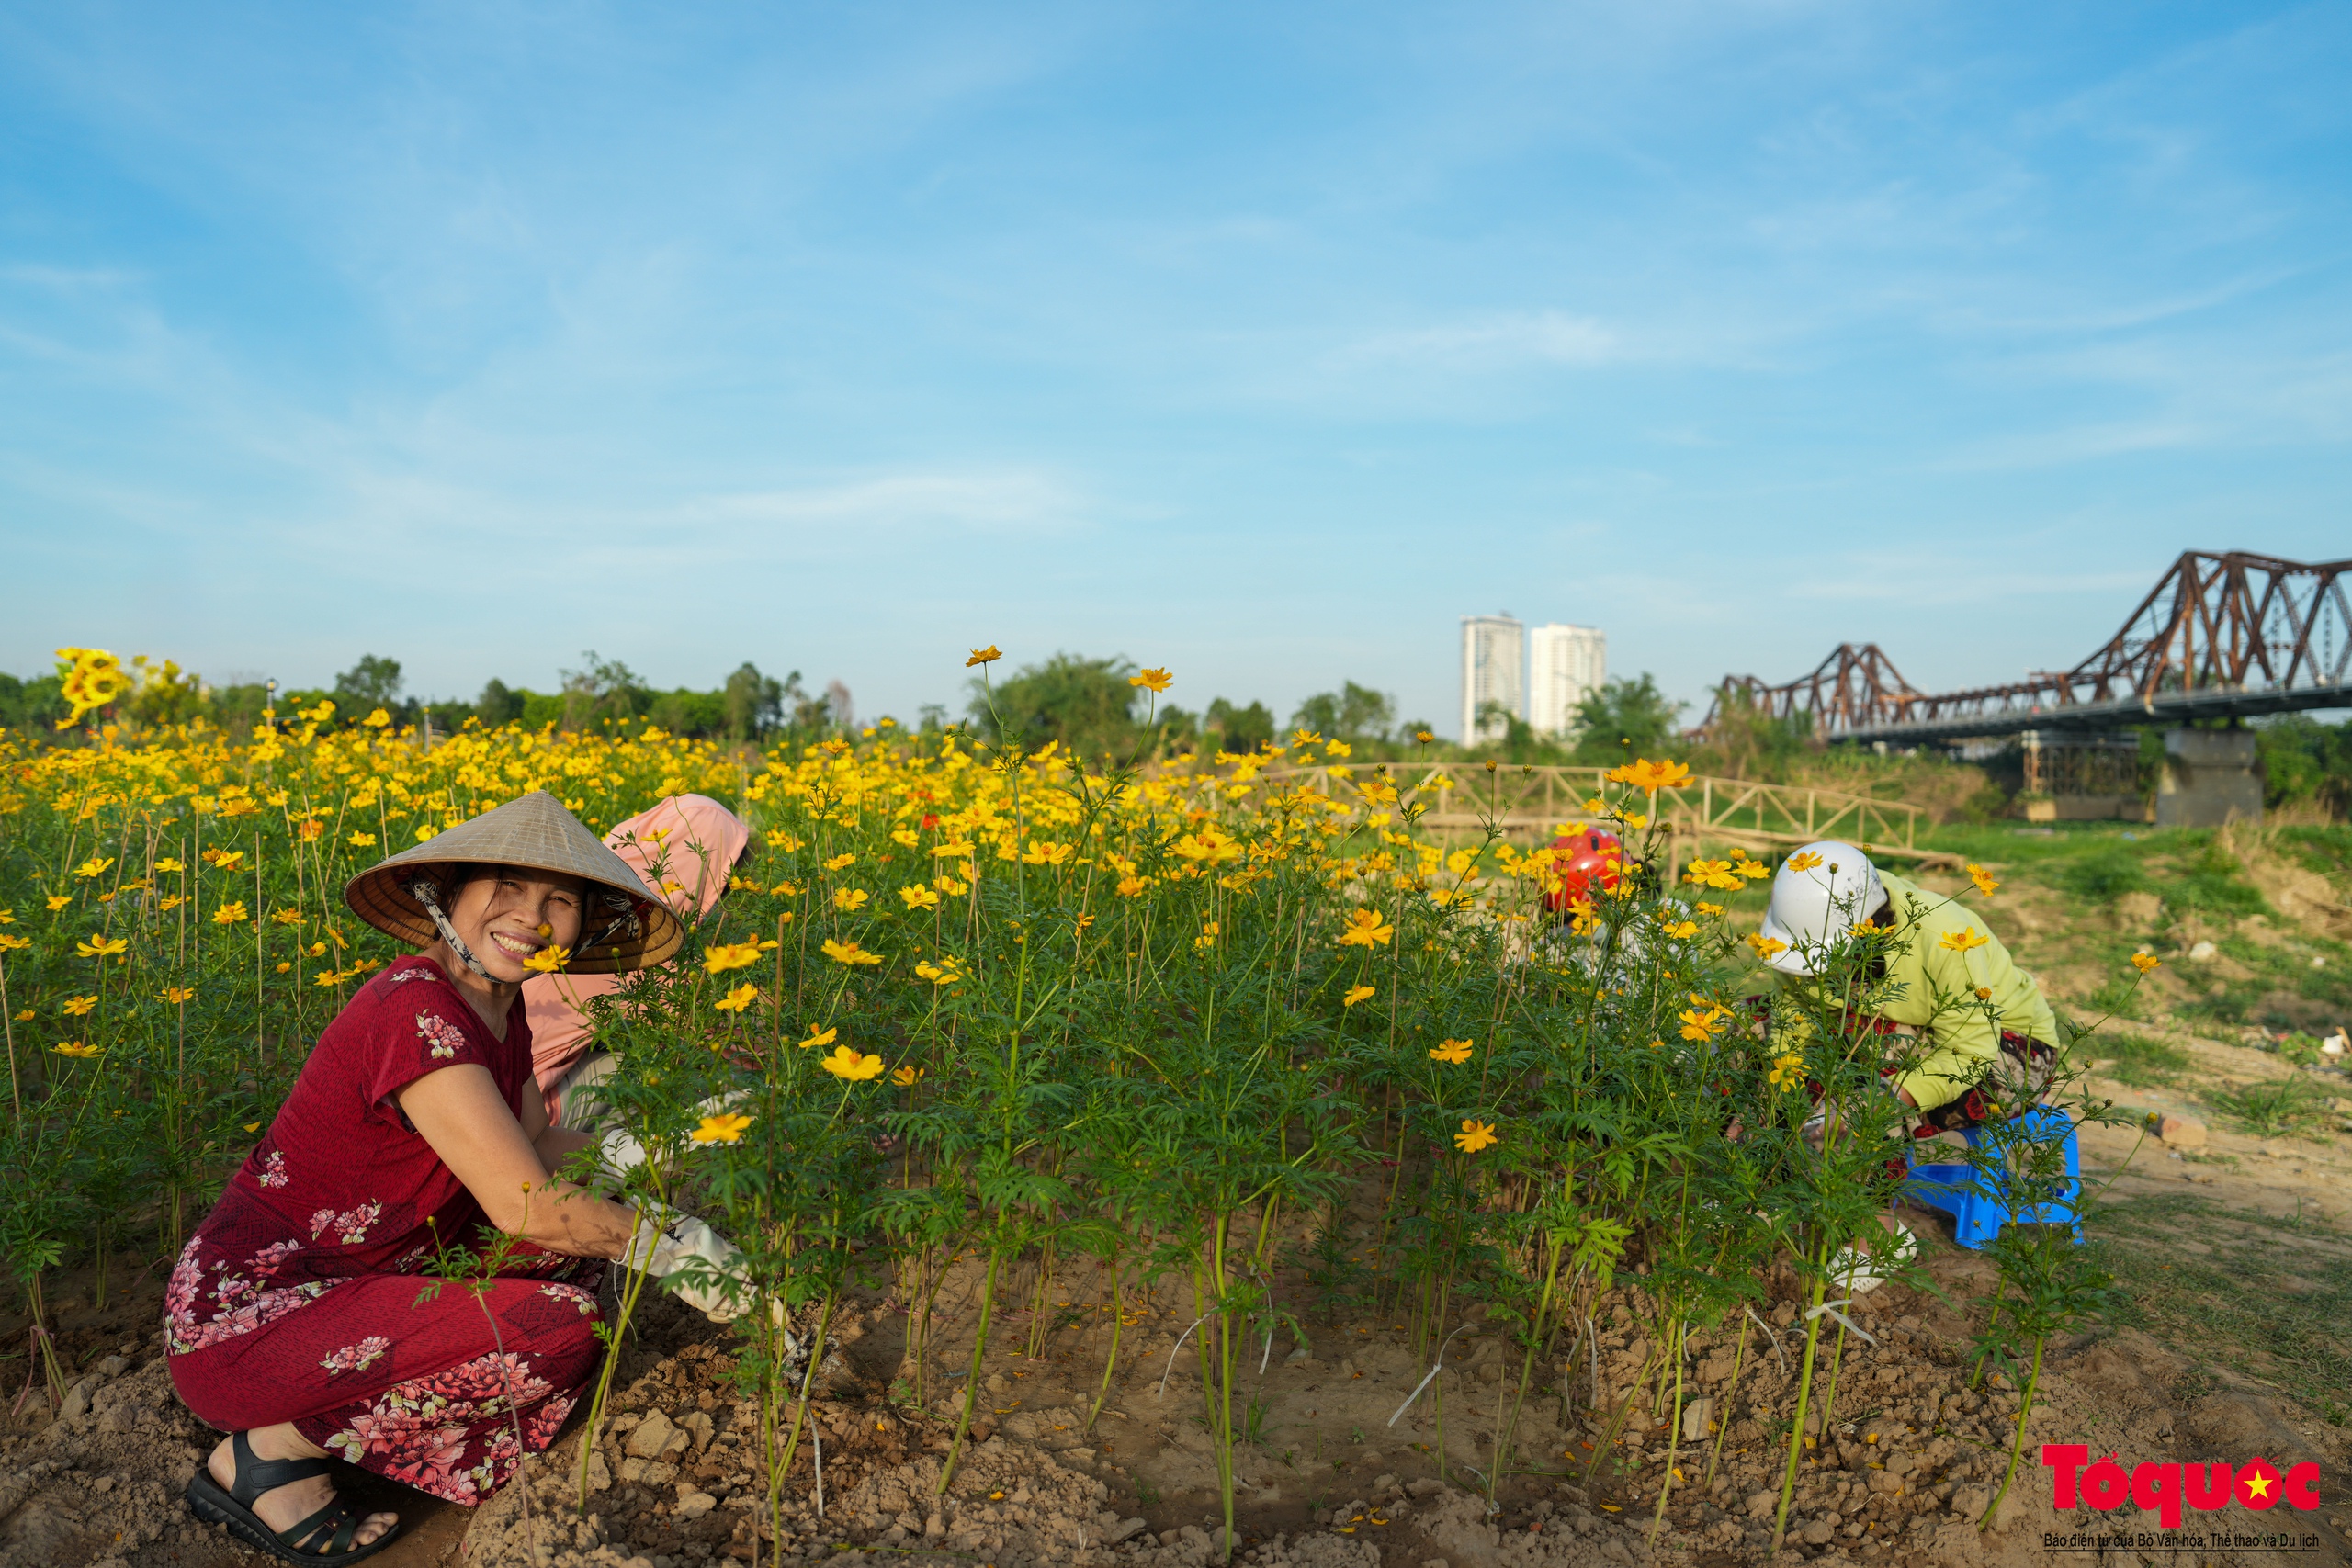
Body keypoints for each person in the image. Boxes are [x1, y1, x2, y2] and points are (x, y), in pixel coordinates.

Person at [167, 791, 743, 1563]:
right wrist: (679, 1249)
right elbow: (522, 1203)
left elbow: (538, 1148)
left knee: (577, 1258)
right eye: (504, 887)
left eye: (560, 900)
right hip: (252, 1319)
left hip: (366, 1278)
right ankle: (270, 1452)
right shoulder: (415, 1009)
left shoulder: (503, 1012)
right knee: (558, 1326)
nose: (531, 916)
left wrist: (669, 1139)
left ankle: (350, 1426)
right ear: (447, 894)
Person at [1754, 840, 2060, 1287]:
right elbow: (1788, 1022)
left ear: (1870, 928)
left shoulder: (1945, 935)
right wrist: (1770, 1097)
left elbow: (1969, 1048)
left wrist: (1883, 1095)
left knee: (1870, 1076)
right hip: (1891, 1030)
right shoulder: (1800, 933)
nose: (1815, 973)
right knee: (1744, 1025)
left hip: (2004, 1049)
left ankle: (1875, 1230)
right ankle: (1766, 1187)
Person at [524, 794, 750, 1131]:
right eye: (724, 885)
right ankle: (609, 1166)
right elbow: (749, 1051)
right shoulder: (641, 947)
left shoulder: (579, 900)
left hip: (487, 1099)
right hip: (524, 1120)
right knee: (685, 1070)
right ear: (696, 870)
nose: (721, 902)